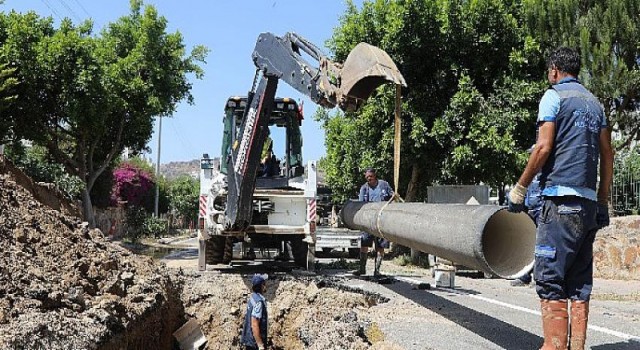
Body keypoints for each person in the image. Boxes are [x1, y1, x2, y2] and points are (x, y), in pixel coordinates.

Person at [507, 47, 613, 350]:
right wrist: (602, 201)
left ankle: (554, 346)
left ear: (554, 69)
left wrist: (520, 188)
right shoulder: (595, 105)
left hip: (559, 201)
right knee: (579, 281)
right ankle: (576, 346)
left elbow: (543, 148)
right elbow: (608, 155)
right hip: (587, 204)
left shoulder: (553, 96)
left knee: (550, 277)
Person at [354, 168, 394, 276]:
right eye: (367, 177)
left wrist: (394, 197)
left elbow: (392, 196)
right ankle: (362, 269)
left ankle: (377, 271)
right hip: (368, 221)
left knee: (380, 246)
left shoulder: (384, 185)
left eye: (370, 176)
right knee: (364, 244)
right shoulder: (364, 188)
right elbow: (361, 205)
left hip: (382, 221)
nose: (369, 179)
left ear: (374, 175)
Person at [241, 274, 269, 350]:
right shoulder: (258, 302)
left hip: (250, 341)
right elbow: (254, 324)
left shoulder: (253, 297)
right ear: (261, 286)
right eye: (264, 284)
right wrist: (260, 345)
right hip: (255, 344)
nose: (266, 285)